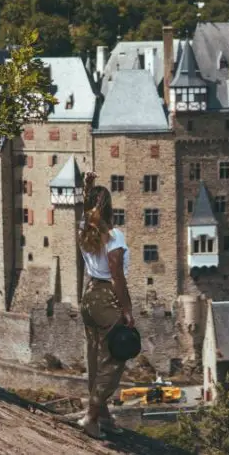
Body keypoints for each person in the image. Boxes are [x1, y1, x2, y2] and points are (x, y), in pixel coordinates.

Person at [77, 171, 134, 439]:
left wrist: (86, 188)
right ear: (110, 208)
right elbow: (116, 275)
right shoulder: (114, 237)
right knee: (115, 357)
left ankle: (104, 416)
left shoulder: (83, 231)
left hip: (87, 296)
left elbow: (84, 210)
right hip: (106, 297)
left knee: (95, 356)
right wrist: (127, 310)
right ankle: (91, 416)